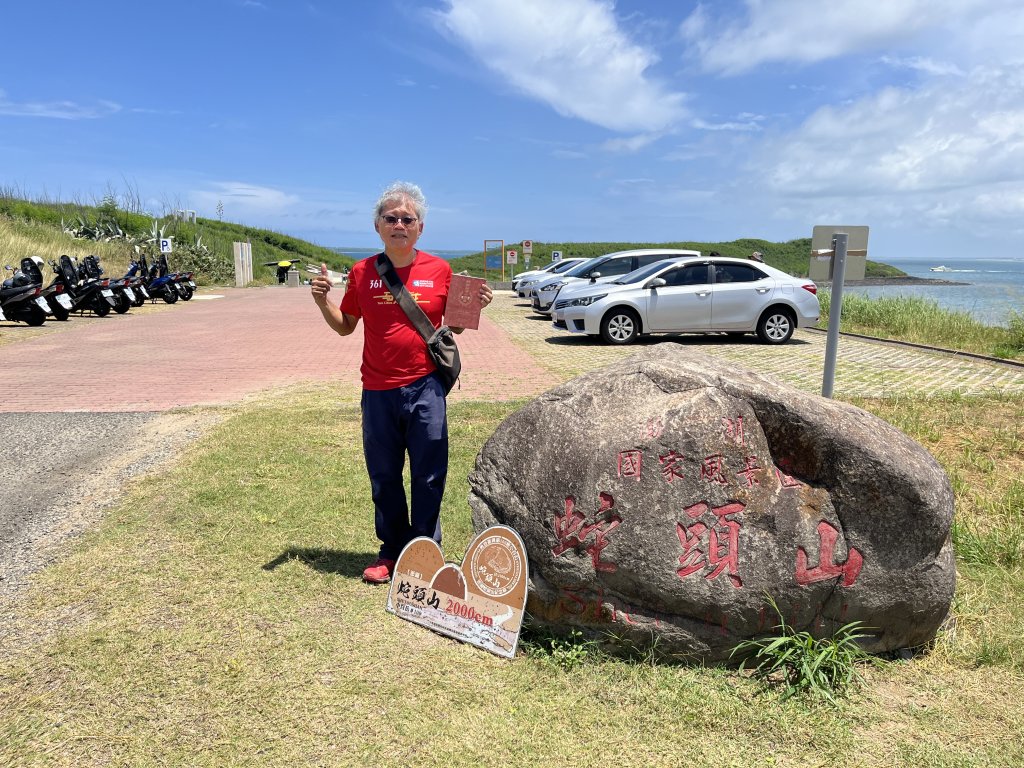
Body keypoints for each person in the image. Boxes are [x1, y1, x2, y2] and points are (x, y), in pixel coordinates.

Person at [310, 181, 493, 584]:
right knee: (385, 475)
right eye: (390, 218)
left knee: (429, 474)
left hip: (426, 387)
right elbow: (345, 328)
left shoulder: (440, 270)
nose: (399, 224)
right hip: (377, 391)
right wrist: (322, 301)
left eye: (407, 219)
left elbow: (454, 328)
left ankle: (424, 553)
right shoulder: (362, 272)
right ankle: (391, 551)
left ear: (420, 228)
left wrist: (471, 307)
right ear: (377, 226)